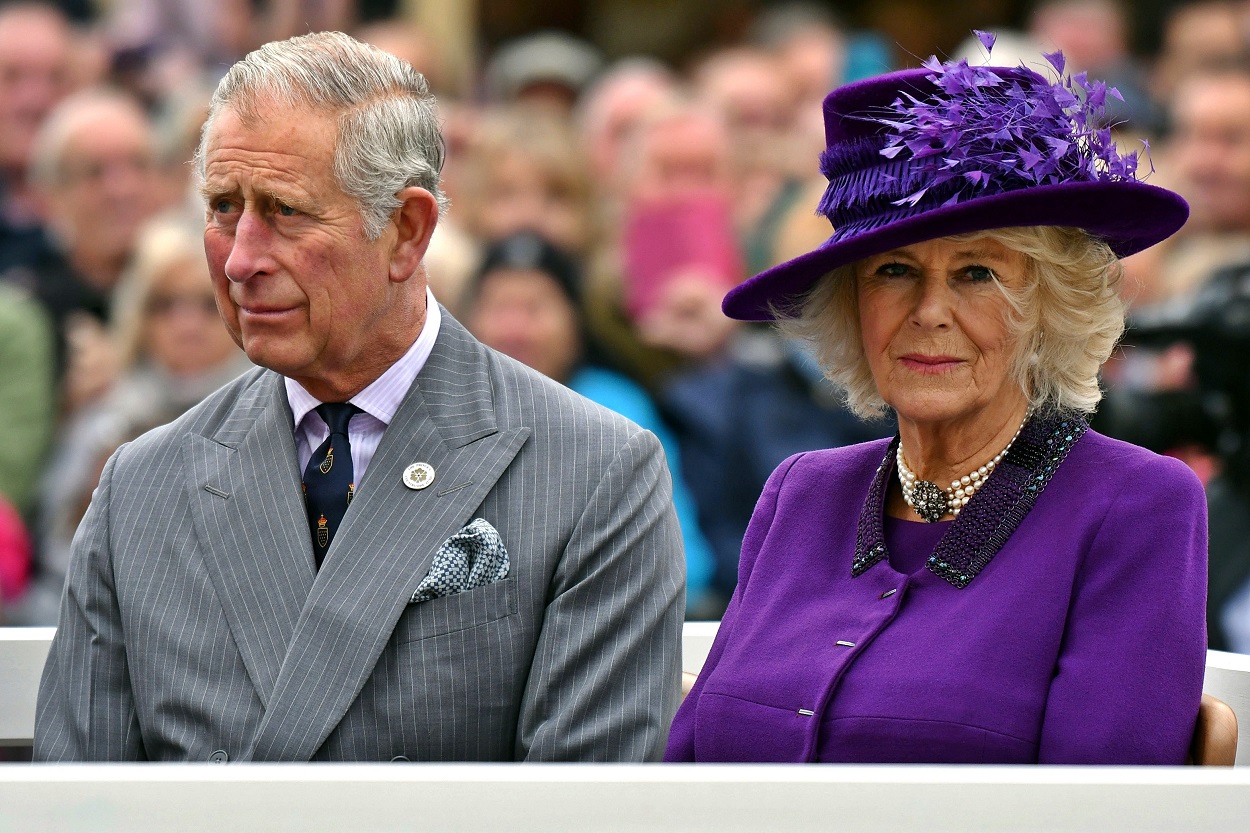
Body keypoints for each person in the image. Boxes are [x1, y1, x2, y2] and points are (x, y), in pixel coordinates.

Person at [35, 31, 684, 763]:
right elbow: (78, 799)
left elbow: (581, 806)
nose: (242, 258)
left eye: (283, 209)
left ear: (406, 232)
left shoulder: (594, 471)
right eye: (222, 207)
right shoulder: (140, 490)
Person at [667, 39, 1207, 764]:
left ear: (1050, 306)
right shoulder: (802, 492)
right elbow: (686, 774)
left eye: (977, 272)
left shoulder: (1135, 505)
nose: (929, 311)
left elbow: (1101, 807)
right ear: (851, 304)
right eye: (894, 271)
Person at [461, 231, 717, 616]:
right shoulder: (446, 405)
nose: (515, 329)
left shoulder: (616, 407)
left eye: (534, 309)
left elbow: (681, 557)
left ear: (574, 322)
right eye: (499, 308)